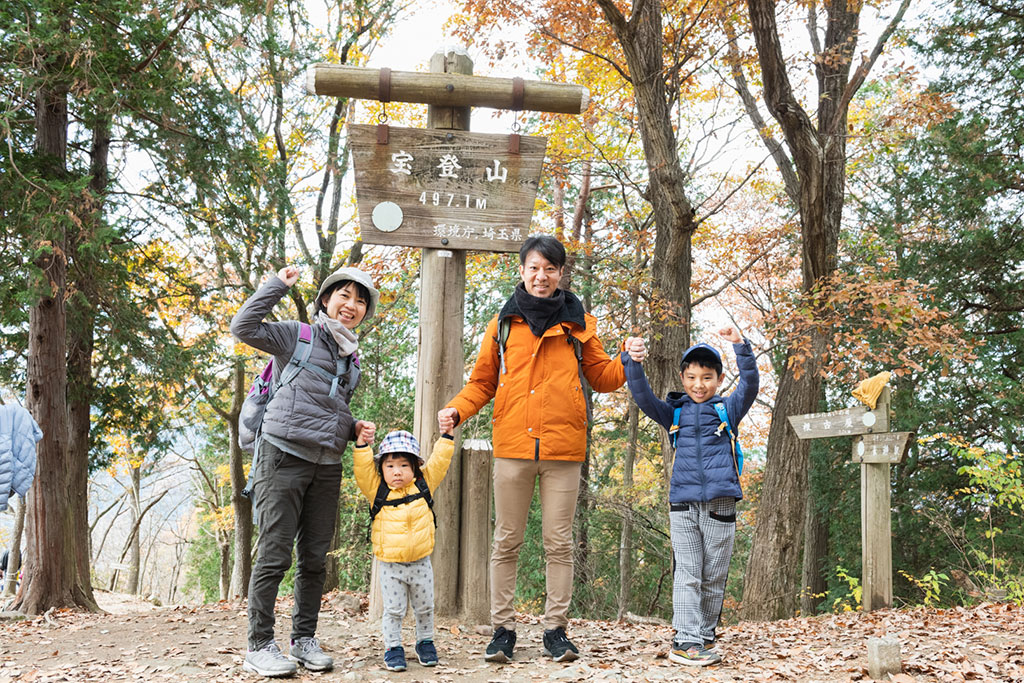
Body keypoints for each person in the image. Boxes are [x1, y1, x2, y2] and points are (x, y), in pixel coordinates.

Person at [437, 234, 646, 663]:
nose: (541, 276)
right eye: (534, 267)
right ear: (522, 271)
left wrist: (627, 358)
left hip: (563, 449)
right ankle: (503, 631)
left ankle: (556, 631)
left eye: (550, 268)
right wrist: (457, 410)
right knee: (506, 541)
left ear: (561, 273)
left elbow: (603, 378)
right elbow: (482, 383)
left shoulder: (579, 324)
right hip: (513, 445)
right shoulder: (502, 325)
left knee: (559, 543)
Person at [230, 265, 378, 678]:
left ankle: (303, 639)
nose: (351, 305)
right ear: (326, 299)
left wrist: (353, 428)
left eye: (360, 300)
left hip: (326, 465)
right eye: (344, 295)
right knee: (274, 554)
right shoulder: (297, 336)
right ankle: (259, 645)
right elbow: (243, 327)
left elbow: (328, 410)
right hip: (281, 455)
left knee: (314, 560)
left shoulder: (352, 360)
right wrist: (277, 286)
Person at [622, 327, 759, 667]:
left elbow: (750, 384)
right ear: (682, 379)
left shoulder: (728, 409)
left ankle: (704, 633)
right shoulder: (674, 414)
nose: (699, 385)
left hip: (721, 503)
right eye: (692, 377)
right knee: (688, 571)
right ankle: (686, 640)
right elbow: (643, 396)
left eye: (707, 378)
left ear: (719, 379)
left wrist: (741, 346)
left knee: (714, 575)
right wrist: (631, 362)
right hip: (682, 503)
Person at [352, 421, 456, 672]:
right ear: (381, 468)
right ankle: (393, 647)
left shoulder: (424, 484)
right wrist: (362, 444)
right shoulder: (377, 490)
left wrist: (447, 437)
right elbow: (363, 470)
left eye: (403, 466)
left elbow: (440, 462)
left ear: (415, 467)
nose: (397, 472)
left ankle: (425, 642)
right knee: (394, 609)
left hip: (421, 562)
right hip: (391, 566)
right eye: (390, 466)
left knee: (425, 607)